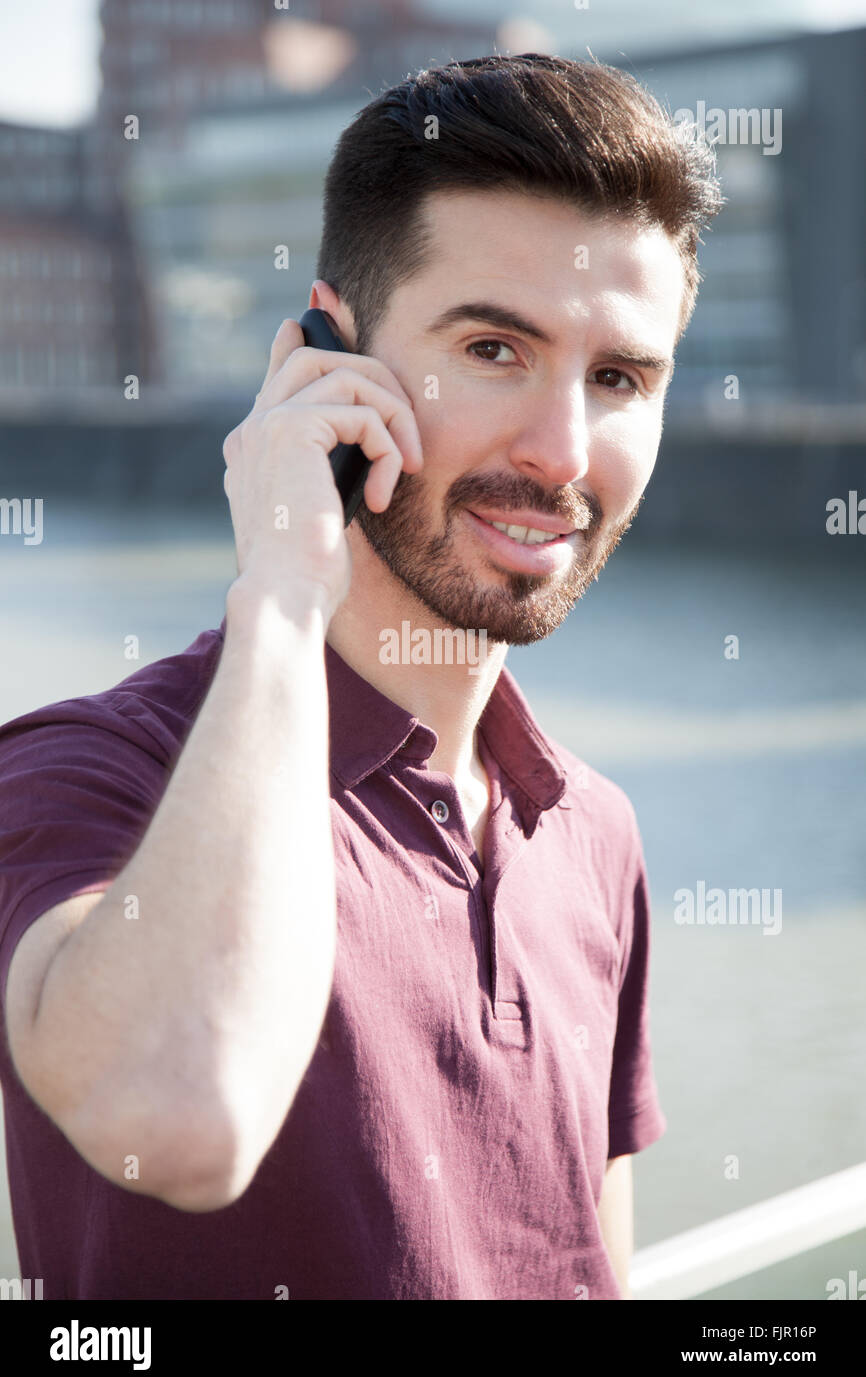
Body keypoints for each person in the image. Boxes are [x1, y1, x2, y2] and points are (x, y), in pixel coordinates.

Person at [0, 53, 722, 1300]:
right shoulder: (85, 774)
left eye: (616, 378)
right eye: (492, 347)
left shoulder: (591, 828)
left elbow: (592, 1265)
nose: (561, 453)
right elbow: (182, 1114)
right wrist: (285, 588)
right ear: (328, 354)